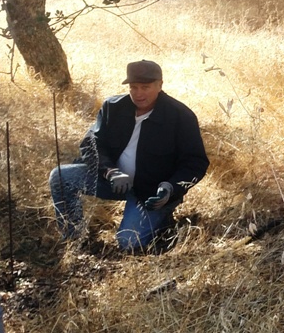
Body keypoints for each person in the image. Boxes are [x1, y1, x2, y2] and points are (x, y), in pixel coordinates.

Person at [49, 60, 209, 252]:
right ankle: (74, 238)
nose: (138, 93)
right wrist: (110, 172)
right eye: (133, 87)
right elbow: (91, 144)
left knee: (129, 242)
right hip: (115, 181)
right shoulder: (113, 107)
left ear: (160, 85)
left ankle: (164, 220)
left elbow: (195, 163)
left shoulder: (181, 116)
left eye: (145, 87)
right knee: (60, 176)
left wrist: (170, 189)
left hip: (152, 192)